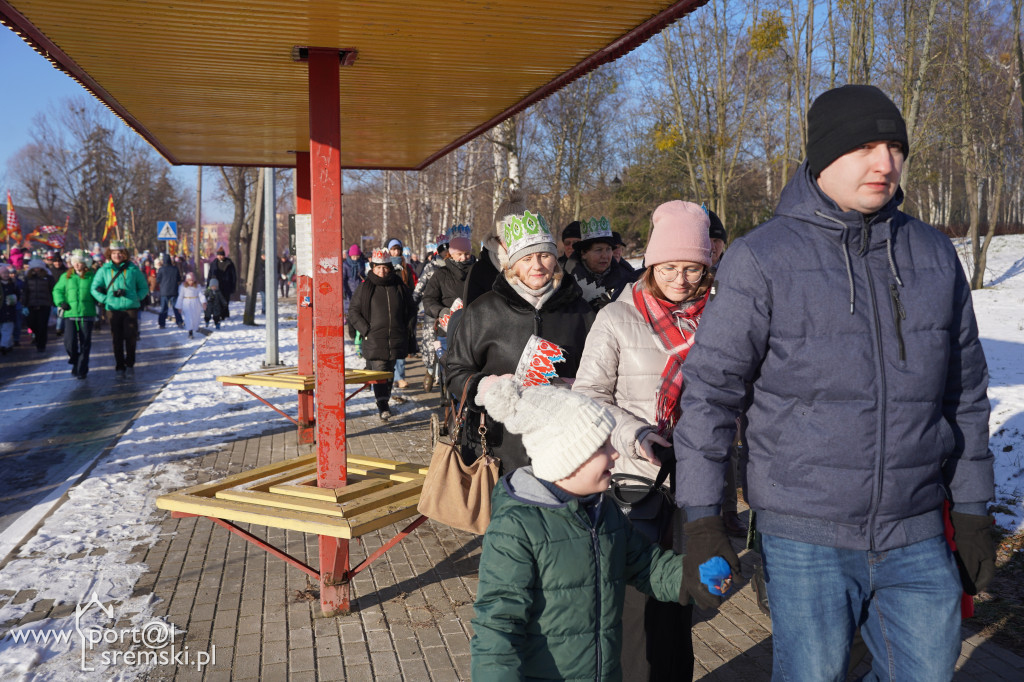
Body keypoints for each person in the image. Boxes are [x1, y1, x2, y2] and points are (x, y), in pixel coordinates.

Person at [673, 84, 995, 681]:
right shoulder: (763, 257)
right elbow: (711, 396)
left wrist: (974, 510)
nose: (885, 163)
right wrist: (701, 521)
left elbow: (965, 395)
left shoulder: (932, 254)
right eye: (865, 146)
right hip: (805, 536)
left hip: (918, 529)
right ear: (822, 157)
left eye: (896, 147)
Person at [573, 200, 715, 680]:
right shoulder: (617, 317)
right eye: (671, 267)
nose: (682, 279)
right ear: (652, 264)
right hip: (636, 479)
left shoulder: (719, 318)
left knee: (682, 599)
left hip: (698, 481)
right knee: (636, 603)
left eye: (693, 268)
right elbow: (588, 396)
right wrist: (637, 433)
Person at [470, 378, 693, 680]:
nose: (615, 453)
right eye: (602, 445)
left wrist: (695, 577)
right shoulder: (517, 528)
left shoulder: (605, 510)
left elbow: (647, 566)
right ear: (568, 456)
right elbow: (498, 626)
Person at [445, 204, 595, 473]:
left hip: (564, 449)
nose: (536, 266)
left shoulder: (580, 311)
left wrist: (577, 387)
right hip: (497, 451)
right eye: (526, 258)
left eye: (544, 256)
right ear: (511, 263)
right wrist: (486, 388)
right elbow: (455, 372)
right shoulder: (483, 310)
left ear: (555, 258)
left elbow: (600, 374)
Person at [348, 248, 417, 421]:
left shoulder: (399, 285)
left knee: (389, 371)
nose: (382, 270)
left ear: (390, 267)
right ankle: (383, 406)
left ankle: (382, 397)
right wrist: (366, 330)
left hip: (396, 336)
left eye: (385, 267)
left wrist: (406, 329)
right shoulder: (365, 287)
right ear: (372, 267)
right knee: (381, 371)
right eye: (378, 267)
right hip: (374, 337)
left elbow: (411, 309)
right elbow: (354, 312)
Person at [421, 224, 476, 378]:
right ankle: (448, 395)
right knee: (452, 369)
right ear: (451, 254)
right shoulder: (441, 274)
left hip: (476, 329)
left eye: (467, 253)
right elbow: (428, 299)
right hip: (449, 329)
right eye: (459, 254)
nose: (464, 258)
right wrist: (440, 311)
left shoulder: (479, 272)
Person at [91, 240, 150, 378]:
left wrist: (137, 297)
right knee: (117, 338)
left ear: (124, 254)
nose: (117, 256)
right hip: (113, 309)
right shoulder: (104, 270)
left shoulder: (133, 269)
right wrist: (105, 299)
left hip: (130, 308)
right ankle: (119, 365)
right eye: (114, 253)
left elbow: (144, 287)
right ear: (109, 254)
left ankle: (130, 363)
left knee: (131, 337)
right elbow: (93, 288)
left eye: (120, 253)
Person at [564, 216, 636, 311]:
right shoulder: (566, 283)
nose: (605, 255)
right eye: (598, 250)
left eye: (608, 249)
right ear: (584, 253)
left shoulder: (626, 280)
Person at [412, 234, 450, 392]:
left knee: (447, 348)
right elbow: (419, 288)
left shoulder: (454, 269)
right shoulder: (430, 267)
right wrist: (412, 303)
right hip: (431, 314)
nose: (446, 254)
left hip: (449, 314)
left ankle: (443, 377)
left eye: (449, 250)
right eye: (444, 251)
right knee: (429, 347)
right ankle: (429, 372)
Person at [53, 249, 97, 378]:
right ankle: (75, 359)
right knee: (69, 342)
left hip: (86, 313)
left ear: (86, 263)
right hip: (70, 313)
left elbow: (98, 290)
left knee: (85, 343)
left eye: (80, 262)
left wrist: (100, 295)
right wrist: (61, 302)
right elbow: (57, 290)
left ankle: (82, 369)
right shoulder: (66, 276)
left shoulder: (92, 276)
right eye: (75, 262)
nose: (77, 264)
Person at [21, 258, 56, 352]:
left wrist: (54, 304)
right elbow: (25, 292)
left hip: (44, 305)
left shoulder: (48, 278)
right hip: (31, 305)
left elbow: (53, 290)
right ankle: (37, 337)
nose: (36, 269)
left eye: (38, 267)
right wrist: (23, 305)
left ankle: (41, 345)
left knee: (42, 326)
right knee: (32, 324)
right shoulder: (28, 278)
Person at [156, 253, 183, 328]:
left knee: (164, 308)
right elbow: (179, 279)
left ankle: (162, 324)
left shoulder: (161, 269)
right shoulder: (175, 268)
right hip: (174, 290)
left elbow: (158, 280)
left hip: (164, 291)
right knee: (175, 307)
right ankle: (179, 321)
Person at [175, 272, 206, 339]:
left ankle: (194, 328)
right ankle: (190, 332)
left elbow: (200, 294)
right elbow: (180, 296)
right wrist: (179, 307)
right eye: (189, 280)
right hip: (187, 303)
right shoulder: (183, 286)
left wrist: (203, 302)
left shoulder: (197, 286)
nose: (191, 282)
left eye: (192, 280)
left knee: (195, 318)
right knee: (189, 318)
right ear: (187, 280)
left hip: (195, 303)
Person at [0, 265, 20, 355]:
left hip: (9, 311)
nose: (6, 275)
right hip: (2, 311)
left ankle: (4, 346)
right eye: (4, 273)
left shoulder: (13, 284)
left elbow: (18, 295)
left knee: (7, 330)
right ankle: (6, 345)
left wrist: (15, 298)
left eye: (7, 273)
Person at [211, 248, 237, 314]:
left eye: (221, 255)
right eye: (218, 255)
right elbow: (210, 274)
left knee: (225, 299)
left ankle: (225, 313)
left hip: (227, 284)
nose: (220, 257)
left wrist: (233, 286)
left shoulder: (229, 263)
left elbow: (233, 275)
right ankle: (219, 313)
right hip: (217, 284)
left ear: (224, 255)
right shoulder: (214, 263)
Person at [342, 244, 366, 314]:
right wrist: (344, 290)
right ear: (350, 256)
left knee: (359, 306)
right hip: (349, 288)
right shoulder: (345, 265)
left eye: (357, 256)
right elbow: (343, 279)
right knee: (349, 305)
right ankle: (347, 317)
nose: (355, 258)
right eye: (353, 256)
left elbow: (363, 275)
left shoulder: (361, 263)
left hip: (359, 287)